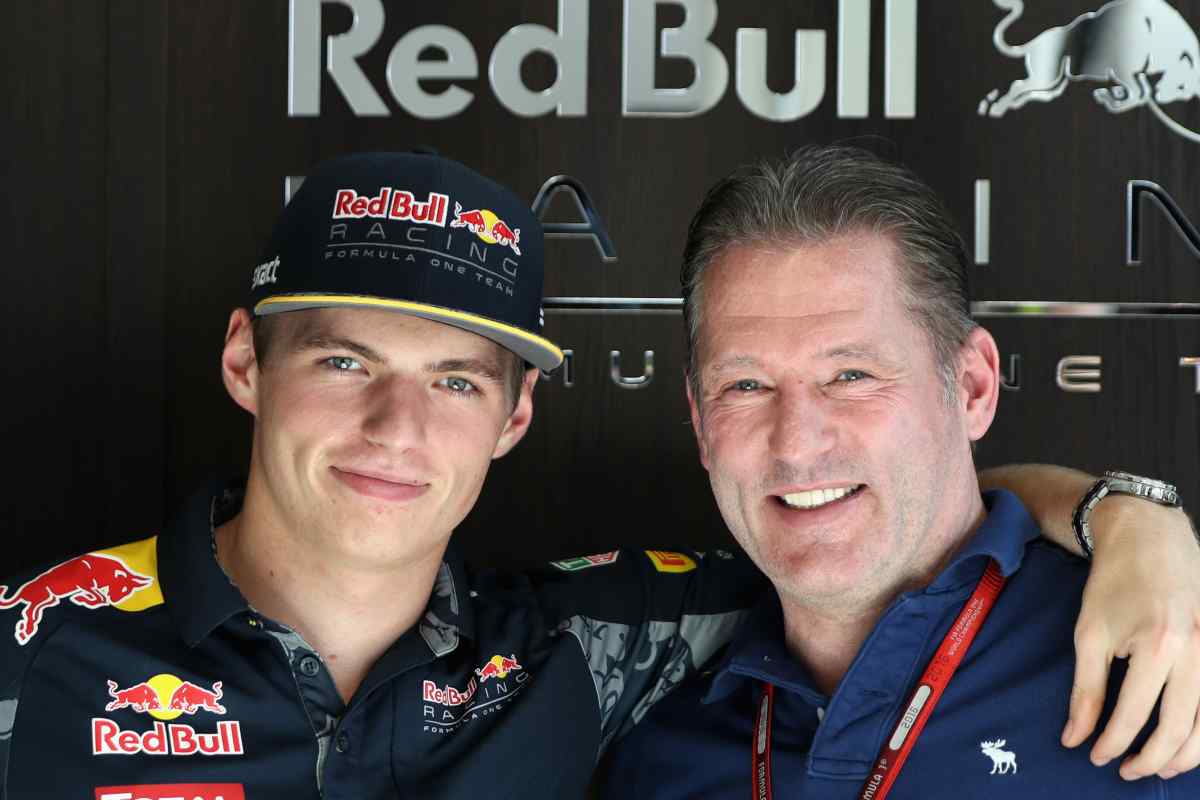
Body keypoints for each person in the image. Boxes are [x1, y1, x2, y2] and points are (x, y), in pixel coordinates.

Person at [0, 151, 1194, 800]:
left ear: (517, 414)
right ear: (244, 362)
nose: (396, 425)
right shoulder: (32, 650)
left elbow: (910, 521)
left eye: (458, 380)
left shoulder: (594, 642)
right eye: (345, 358)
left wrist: (1129, 514)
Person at [600, 145, 1200, 798]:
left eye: (851, 375)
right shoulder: (647, 726)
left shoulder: (1169, 664)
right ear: (698, 419)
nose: (796, 444)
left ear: (972, 386)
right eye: (745, 385)